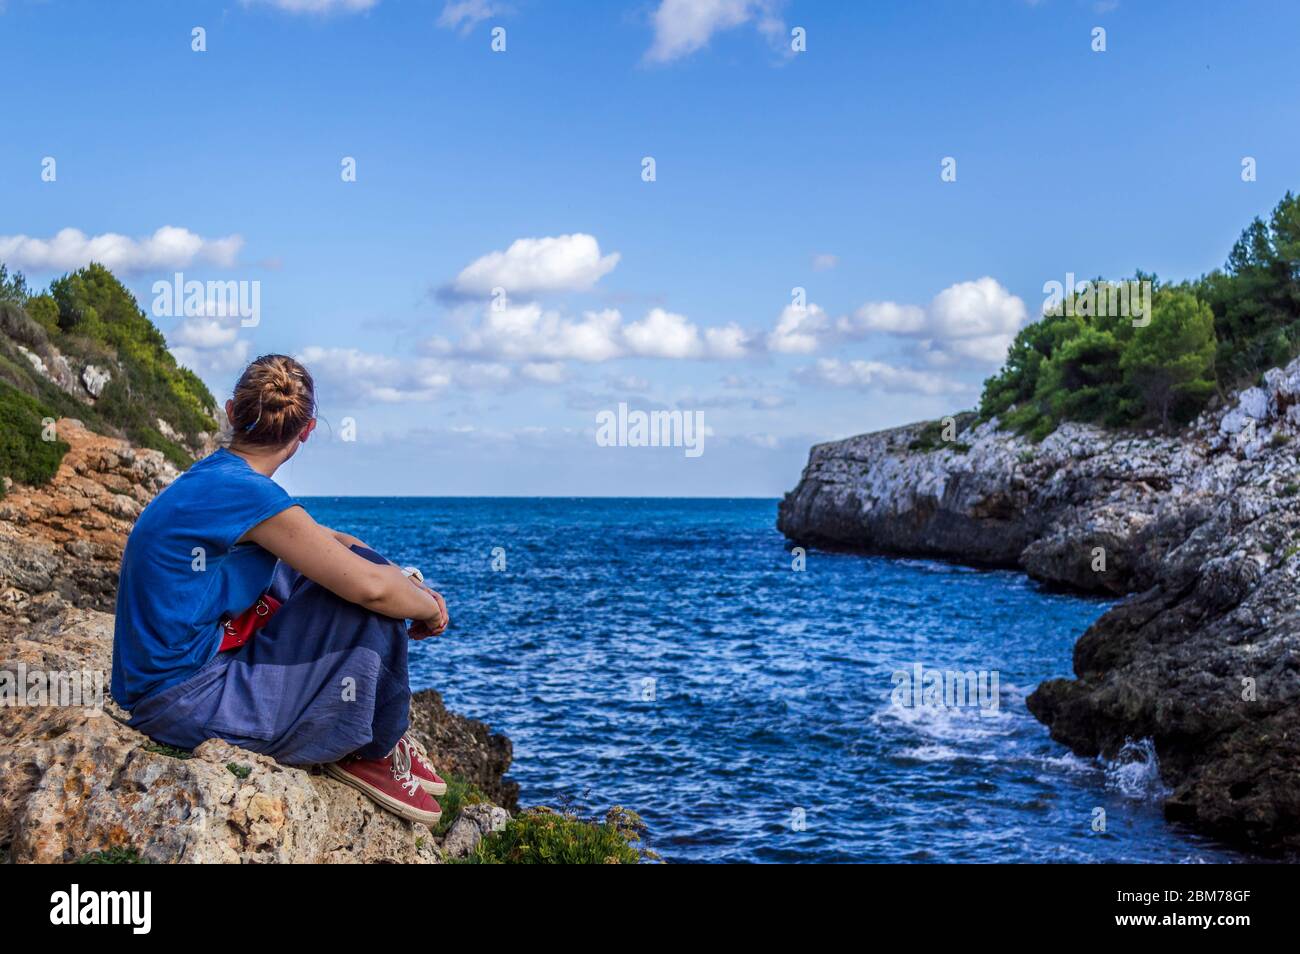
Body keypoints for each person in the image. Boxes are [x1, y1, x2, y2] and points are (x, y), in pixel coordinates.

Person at [111, 353, 450, 826]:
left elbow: (330, 542)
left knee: (341, 570)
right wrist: (429, 607)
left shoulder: (217, 479)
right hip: (185, 701)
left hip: (169, 683)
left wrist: (397, 574)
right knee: (375, 600)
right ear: (306, 431)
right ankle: (366, 749)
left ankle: (379, 736)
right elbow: (372, 591)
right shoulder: (246, 492)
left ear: (231, 412)